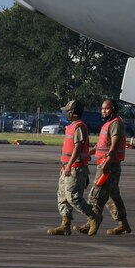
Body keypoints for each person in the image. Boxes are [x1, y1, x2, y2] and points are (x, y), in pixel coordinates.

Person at [82, 97, 130, 235]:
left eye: (106, 108)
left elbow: (114, 145)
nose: (103, 111)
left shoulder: (115, 123)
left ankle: (92, 222)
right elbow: (101, 146)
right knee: (113, 196)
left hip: (109, 165)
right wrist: (88, 153)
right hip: (106, 163)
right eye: (102, 109)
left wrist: (107, 162)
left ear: (113, 109)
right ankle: (124, 224)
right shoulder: (108, 124)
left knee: (96, 194)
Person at [46, 100, 96, 235]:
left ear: (73, 112)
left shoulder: (79, 126)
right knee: (62, 196)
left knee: (73, 198)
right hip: (67, 167)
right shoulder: (73, 126)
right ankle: (65, 225)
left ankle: (93, 217)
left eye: (68, 111)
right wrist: (65, 166)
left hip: (75, 168)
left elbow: (78, 148)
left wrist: (69, 166)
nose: (66, 113)